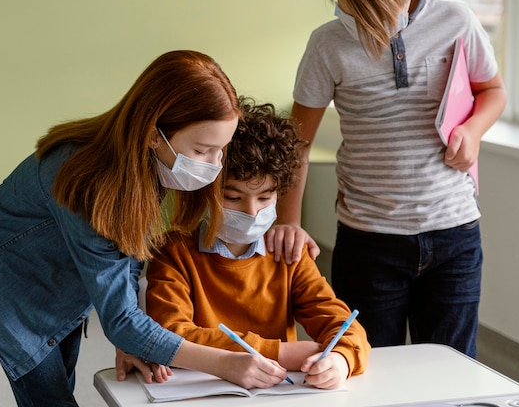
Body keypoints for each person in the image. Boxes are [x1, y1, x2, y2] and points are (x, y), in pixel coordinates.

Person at [0, 51, 289, 407]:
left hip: (61, 283)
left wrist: (130, 338)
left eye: (220, 150)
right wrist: (226, 363)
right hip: (9, 290)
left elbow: (127, 252)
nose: (215, 165)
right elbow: (121, 317)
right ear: (153, 134)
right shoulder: (88, 182)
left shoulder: (146, 164)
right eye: (203, 150)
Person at [273, 0, 507, 358]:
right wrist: (289, 220)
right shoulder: (327, 45)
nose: (363, 25)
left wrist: (473, 131)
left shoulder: (457, 22)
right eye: (350, 9)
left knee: (450, 374)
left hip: (453, 235)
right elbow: (295, 144)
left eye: (376, 14)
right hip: (368, 242)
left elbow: (493, 91)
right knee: (365, 369)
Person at [144, 99, 370, 390]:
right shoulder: (173, 251)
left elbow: (345, 327)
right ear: (203, 191)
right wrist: (280, 353)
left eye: (265, 198)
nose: (252, 212)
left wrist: (341, 360)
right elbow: (171, 335)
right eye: (233, 198)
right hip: (202, 394)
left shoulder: (288, 252)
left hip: (275, 396)